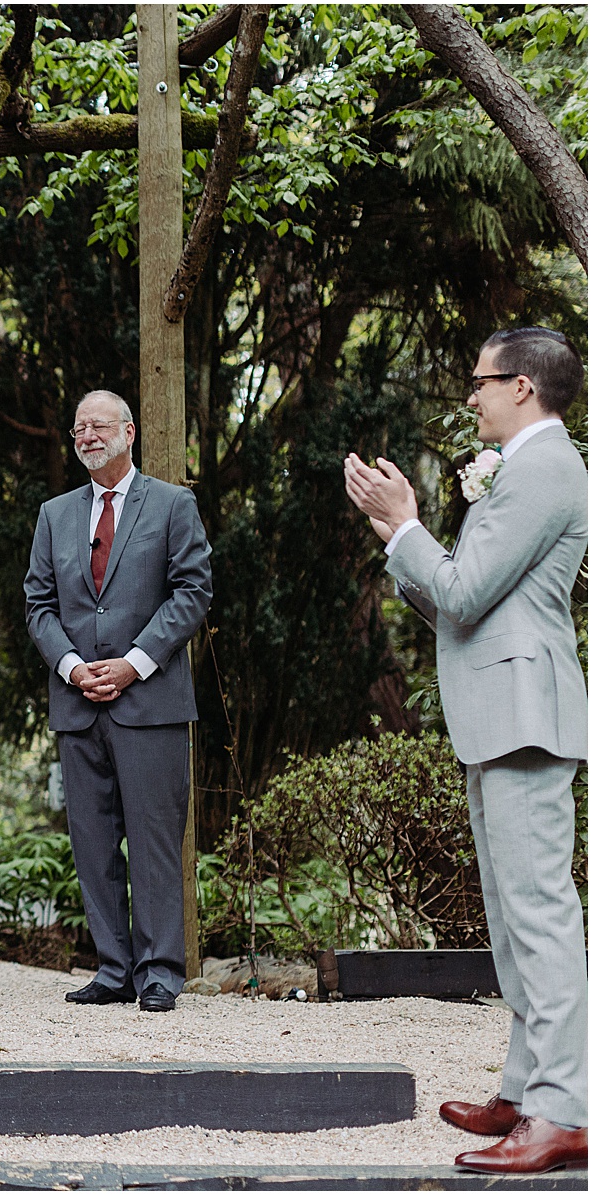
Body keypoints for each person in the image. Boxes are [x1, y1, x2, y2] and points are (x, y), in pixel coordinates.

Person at [344, 326, 586, 1175]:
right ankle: (525, 1090)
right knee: (513, 919)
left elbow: (465, 589)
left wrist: (403, 522)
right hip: (501, 711)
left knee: (539, 914)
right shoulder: (523, 467)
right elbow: (459, 602)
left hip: (525, 711)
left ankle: (565, 1109)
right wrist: (395, 534)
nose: (471, 394)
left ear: (522, 386)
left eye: (480, 381)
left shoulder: (546, 466)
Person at [22, 390, 212, 1013]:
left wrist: (132, 665)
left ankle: (160, 972)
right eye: (78, 427)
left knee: (155, 841)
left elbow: (192, 593)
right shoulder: (54, 514)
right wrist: (74, 668)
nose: (87, 435)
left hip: (150, 703)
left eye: (99, 424)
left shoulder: (173, 504)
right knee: (93, 841)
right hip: (78, 705)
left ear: (129, 432)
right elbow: (39, 606)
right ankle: (113, 968)